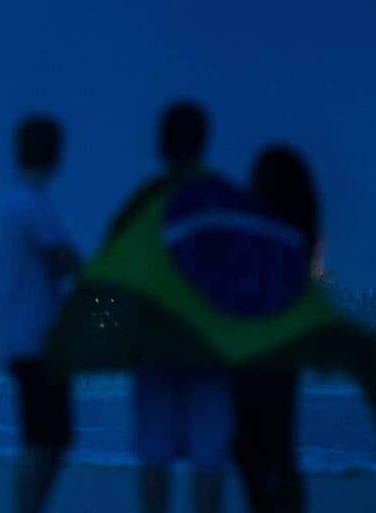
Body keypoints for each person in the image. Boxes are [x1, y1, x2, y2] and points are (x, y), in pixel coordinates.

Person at [123, 101, 231, 513]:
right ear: (205, 143)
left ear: (160, 145)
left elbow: (117, 276)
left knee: (154, 457)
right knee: (209, 459)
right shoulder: (224, 200)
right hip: (208, 346)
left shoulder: (143, 203)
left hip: (154, 349)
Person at [0, 114, 81, 513]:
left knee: (45, 439)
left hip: (22, 339)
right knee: (48, 440)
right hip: (38, 341)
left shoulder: (13, 204)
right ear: (56, 154)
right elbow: (64, 260)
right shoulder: (31, 205)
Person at [232, 145, 318, 512]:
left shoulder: (251, 232)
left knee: (250, 452)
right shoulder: (300, 234)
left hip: (249, 354)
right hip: (285, 353)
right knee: (281, 450)